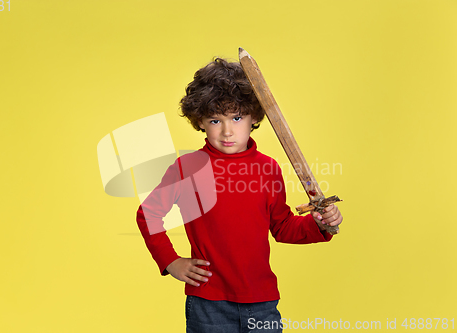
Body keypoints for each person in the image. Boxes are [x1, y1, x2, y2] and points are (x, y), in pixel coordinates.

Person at [136, 57, 343, 333]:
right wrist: (170, 260)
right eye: (214, 120)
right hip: (208, 302)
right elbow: (148, 213)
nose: (227, 131)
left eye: (236, 117)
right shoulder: (187, 169)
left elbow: (282, 228)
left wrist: (319, 224)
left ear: (254, 116)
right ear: (200, 121)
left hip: (261, 300)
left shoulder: (268, 169)